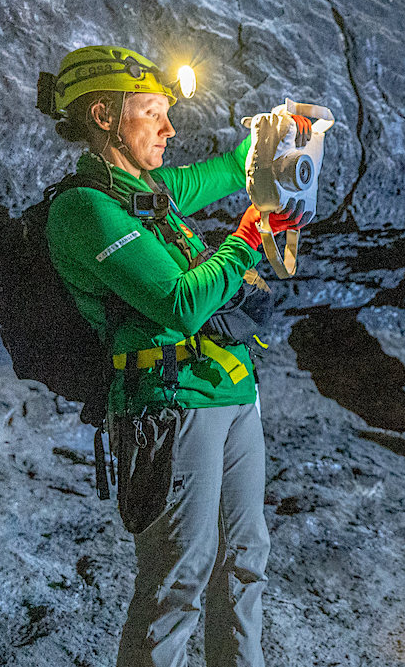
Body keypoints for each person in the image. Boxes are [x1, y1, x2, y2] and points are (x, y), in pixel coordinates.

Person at [38, 44, 307, 667]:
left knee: (244, 564)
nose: (169, 127)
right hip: (168, 404)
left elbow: (232, 167)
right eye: (153, 113)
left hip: (233, 393)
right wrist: (248, 236)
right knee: (177, 581)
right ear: (105, 116)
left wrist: (273, 132)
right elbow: (181, 305)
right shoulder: (84, 209)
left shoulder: (155, 190)